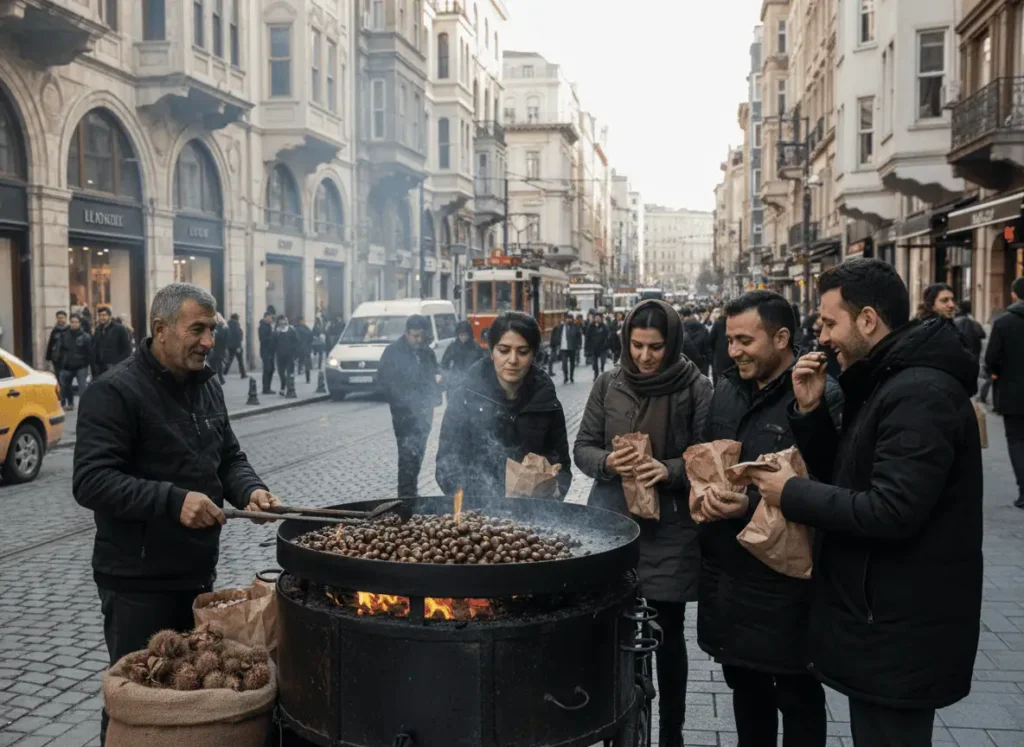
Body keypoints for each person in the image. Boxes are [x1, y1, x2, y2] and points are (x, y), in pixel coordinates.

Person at [749, 259, 983, 746]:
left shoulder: (918, 391)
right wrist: (811, 414)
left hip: (902, 624)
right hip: (883, 620)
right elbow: (849, 476)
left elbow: (891, 511)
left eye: (830, 322)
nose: (824, 335)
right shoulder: (884, 379)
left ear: (868, 319)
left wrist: (790, 493)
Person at [71, 283, 279, 745]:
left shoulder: (208, 386)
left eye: (213, 329)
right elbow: (91, 481)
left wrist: (252, 490)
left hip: (195, 572)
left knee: (183, 700)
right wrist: (173, 499)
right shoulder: (114, 391)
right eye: (197, 329)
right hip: (136, 580)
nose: (209, 341)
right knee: (136, 702)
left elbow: (229, 457)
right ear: (160, 330)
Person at [699, 291, 842, 747]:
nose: (734, 350)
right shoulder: (726, 386)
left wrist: (752, 507)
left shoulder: (819, 394)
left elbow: (830, 487)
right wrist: (704, 487)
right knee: (746, 689)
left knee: (797, 694)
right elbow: (709, 454)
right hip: (729, 573)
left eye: (745, 340)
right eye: (730, 340)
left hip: (787, 583)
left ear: (781, 338)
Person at [574, 299, 713, 747]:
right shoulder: (608, 383)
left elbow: (708, 454)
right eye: (637, 346)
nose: (645, 357)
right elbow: (583, 448)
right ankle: (615, 720)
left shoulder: (695, 386)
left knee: (668, 632)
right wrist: (609, 461)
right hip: (613, 526)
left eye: (655, 347)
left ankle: (671, 731)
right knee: (612, 627)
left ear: (671, 343)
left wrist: (669, 470)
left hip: (670, 529)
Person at [437, 312, 572, 499]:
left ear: (533, 354)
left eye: (523, 352)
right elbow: (446, 467)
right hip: (479, 515)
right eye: (504, 350)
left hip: (533, 516)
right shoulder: (465, 398)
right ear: (492, 352)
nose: (513, 360)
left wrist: (552, 489)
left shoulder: (547, 403)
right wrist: (486, 504)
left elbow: (562, 467)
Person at [378, 315, 442, 497]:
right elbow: (382, 380)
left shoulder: (427, 352)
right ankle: (405, 496)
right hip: (403, 414)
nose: (418, 340)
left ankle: (411, 491)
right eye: (415, 335)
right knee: (407, 454)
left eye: (421, 335)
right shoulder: (393, 352)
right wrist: (400, 399)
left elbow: (434, 374)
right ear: (407, 333)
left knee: (418, 453)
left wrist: (438, 384)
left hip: (424, 412)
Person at [985, 277, 1024, 508]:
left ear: (1014, 295)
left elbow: (991, 359)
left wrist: (995, 373)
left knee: (1017, 441)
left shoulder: (1003, 323)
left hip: (1012, 394)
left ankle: (1023, 490)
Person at [58, 314, 92, 411]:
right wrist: (61, 362)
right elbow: (61, 350)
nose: (74, 324)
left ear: (79, 323)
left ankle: (84, 406)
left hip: (81, 366)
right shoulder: (65, 335)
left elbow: (90, 352)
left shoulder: (86, 337)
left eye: (76, 322)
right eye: (72, 322)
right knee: (65, 386)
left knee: (82, 387)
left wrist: (89, 366)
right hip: (67, 365)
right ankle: (70, 402)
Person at [440, 320, 484, 393]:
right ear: (457, 335)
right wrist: (447, 377)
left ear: (470, 334)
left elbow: (482, 364)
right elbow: (444, 365)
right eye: (461, 335)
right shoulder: (452, 347)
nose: (463, 337)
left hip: (472, 383)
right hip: (455, 384)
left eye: (465, 335)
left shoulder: (475, 347)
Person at [92, 306, 133, 378]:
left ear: (109, 316)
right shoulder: (98, 329)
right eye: (100, 315)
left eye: (104, 315)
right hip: (100, 366)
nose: (102, 317)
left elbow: (127, 348)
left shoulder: (119, 329)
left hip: (114, 365)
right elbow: (95, 346)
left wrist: (120, 364)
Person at [681, 306, 712, 376]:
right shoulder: (702, 327)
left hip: (686, 365)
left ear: (682, 316)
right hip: (702, 364)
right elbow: (708, 346)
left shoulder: (680, 329)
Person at [273, 315, 299, 394]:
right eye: (280, 322)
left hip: (290, 355)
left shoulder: (291, 330)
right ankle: (283, 386)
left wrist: (295, 353)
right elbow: (273, 343)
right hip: (280, 355)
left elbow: (297, 341)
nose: (282, 323)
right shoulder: (276, 331)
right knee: (281, 373)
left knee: (289, 372)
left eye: (283, 321)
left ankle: (290, 388)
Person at [585, 311, 610, 381]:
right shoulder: (591, 326)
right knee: (594, 363)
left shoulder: (604, 326)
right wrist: (587, 348)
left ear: (601, 319)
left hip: (602, 347)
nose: (597, 319)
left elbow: (607, 336)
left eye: (598, 318)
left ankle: (602, 369)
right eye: (596, 318)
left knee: (602, 361)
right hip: (594, 348)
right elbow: (588, 337)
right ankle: (596, 374)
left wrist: (607, 345)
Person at [708, 309, 730, 384]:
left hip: (719, 357)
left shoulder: (718, 323)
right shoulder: (734, 323)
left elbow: (710, 340)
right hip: (731, 357)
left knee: (719, 382)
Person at [222, 312, 246, 378]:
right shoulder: (236, 324)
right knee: (240, 361)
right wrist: (239, 345)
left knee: (230, 359)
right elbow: (238, 335)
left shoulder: (227, 324)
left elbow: (225, 335)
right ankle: (243, 374)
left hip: (230, 346)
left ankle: (224, 372)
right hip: (237, 345)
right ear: (236, 318)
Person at [46, 310, 69, 375]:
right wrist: (48, 357)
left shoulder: (69, 330)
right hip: (56, 358)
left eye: (62, 318)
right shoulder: (55, 330)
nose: (60, 320)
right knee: (58, 375)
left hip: (67, 359)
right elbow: (50, 344)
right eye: (59, 318)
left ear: (65, 318)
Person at [258, 311, 276, 394]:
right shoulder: (262, 327)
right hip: (265, 351)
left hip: (270, 351)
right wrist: (272, 336)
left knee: (271, 369)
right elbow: (263, 339)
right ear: (266, 317)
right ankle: (265, 388)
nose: (271, 320)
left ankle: (268, 387)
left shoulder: (269, 326)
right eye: (270, 318)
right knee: (267, 369)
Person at [209, 313, 228, 385]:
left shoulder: (216, 327)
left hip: (215, 348)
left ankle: (217, 380)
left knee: (214, 365)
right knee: (218, 364)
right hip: (220, 349)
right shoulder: (225, 327)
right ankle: (220, 379)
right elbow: (226, 339)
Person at [296, 315, 314, 384]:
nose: (304, 321)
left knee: (300, 361)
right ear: (301, 321)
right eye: (303, 320)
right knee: (307, 364)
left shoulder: (297, 328)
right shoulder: (306, 328)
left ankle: (299, 370)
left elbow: (296, 339)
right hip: (306, 348)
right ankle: (308, 379)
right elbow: (311, 336)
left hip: (300, 348)